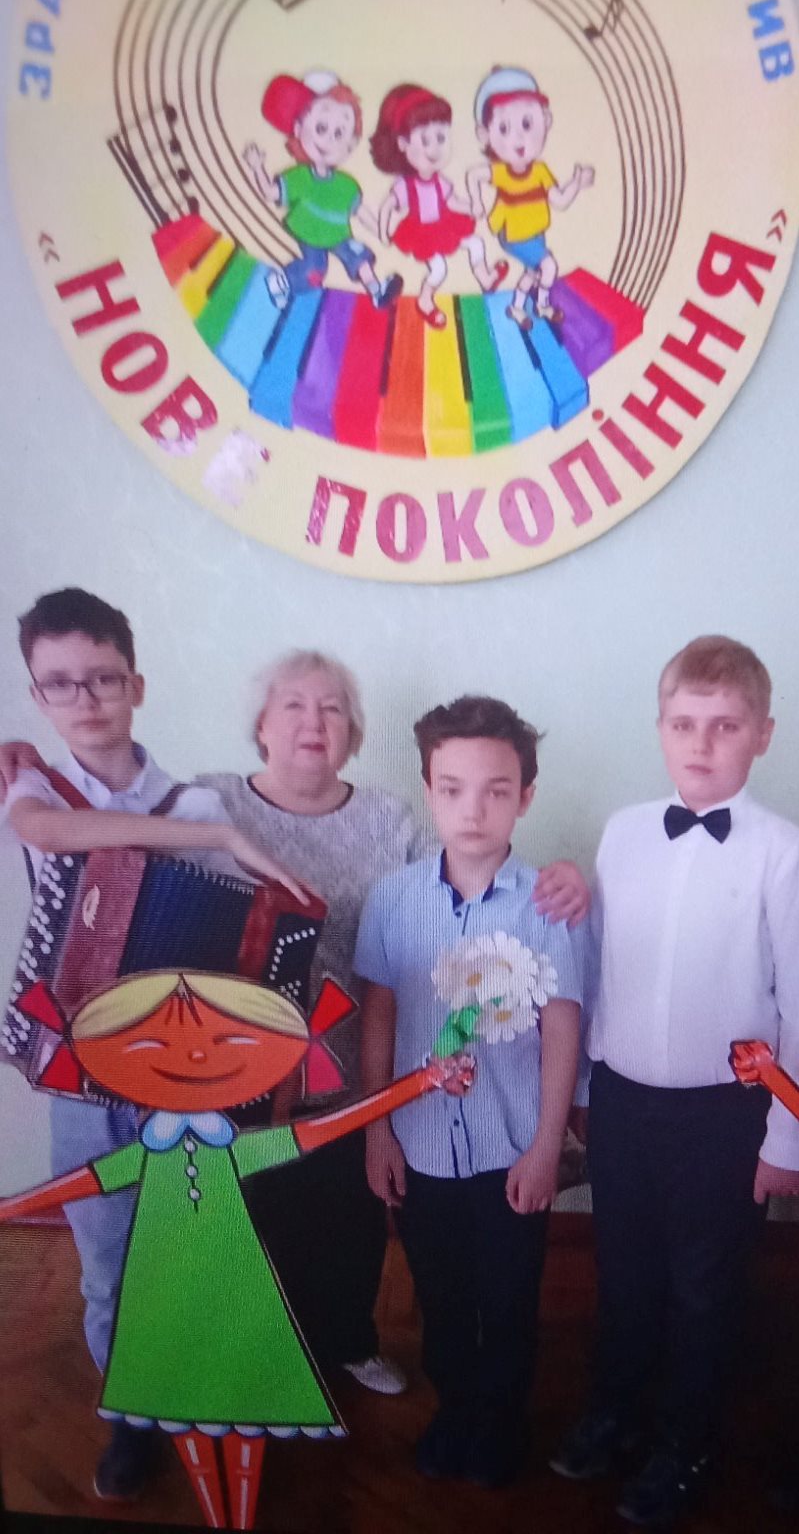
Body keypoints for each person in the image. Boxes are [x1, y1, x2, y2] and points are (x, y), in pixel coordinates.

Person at [0, 649, 590, 1397]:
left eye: (332, 708)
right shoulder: (213, 802)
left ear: (352, 733)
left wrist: (567, 878)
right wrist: (33, 765)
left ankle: (349, 1342)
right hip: (236, 1066)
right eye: (294, 706)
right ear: (261, 726)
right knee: (251, 1224)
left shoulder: (387, 817)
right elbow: (108, 826)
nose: (314, 722)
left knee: (350, 1221)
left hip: (351, 1062)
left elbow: (461, 890)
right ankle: (255, 1364)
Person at [1, 588, 304, 1505]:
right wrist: (208, 835)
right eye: (60, 684)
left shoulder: (192, 794)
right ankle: (130, 1416)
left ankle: (203, 1393)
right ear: (37, 697)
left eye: (102, 678)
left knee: (197, 1251)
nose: (85, 699)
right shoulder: (40, 792)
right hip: (80, 1082)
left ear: (136, 684)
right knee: (105, 1262)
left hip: (180, 1076)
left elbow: (238, 943)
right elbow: (44, 833)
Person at [0, 967, 474, 1531]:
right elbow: (84, 1178)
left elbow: (317, 1129)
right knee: (110, 1279)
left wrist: (420, 1081)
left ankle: (231, 1439)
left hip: (216, 1114)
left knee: (226, 1302)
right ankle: (136, 1419)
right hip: (92, 1095)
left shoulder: (231, 1122)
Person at [551, 635, 799, 1529]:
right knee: (624, 1274)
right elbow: (599, 970)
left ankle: (687, 1445)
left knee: (703, 1290)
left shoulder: (784, 852)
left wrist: (788, 1139)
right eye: (683, 723)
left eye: (724, 725)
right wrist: (587, 1090)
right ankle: (617, 1415)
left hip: (728, 1116)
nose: (701, 742)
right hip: (624, 1100)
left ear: (762, 735)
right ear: (660, 729)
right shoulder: (623, 832)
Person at [355, 695, 591, 1487]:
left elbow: (561, 1027)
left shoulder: (547, 904)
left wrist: (545, 1145)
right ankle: (456, 1408)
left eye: (496, 790)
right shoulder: (393, 900)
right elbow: (379, 1018)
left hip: (508, 1145)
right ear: (428, 791)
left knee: (509, 1295)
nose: (473, 809)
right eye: (452, 788)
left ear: (525, 795)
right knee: (441, 1291)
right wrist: (378, 1131)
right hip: (420, 1145)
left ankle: (501, 1420)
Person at [244, 70, 402, 312]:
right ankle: (281, 281)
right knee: (315, 271)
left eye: (339, 134)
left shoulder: (346, 184)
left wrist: (382, 232)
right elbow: (271, 193)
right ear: (298, 129)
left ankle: (376, 290)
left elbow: (360, 211)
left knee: (359, 255)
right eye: (321, 128)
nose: (330, 140)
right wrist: (257, 167)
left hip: (338, 234)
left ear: (351, 144)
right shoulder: (300, 177)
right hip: (310, 232)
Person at [369, 82, 507, 330]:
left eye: (441, 138)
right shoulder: (406, 185)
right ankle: (425, 301)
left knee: (476, 243)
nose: (435, 148)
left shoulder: (439, 180)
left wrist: (471, 207)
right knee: (439, 269)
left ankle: (485, 278)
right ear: (402, 143)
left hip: (445, 225)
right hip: (422, 232)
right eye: (425, 140)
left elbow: (451, 201)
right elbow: (388, 206)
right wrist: (383, 232)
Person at [467, 65, 594, 331]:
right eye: (504, 128)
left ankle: (516, 306)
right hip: (514, 235)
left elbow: (559, 200)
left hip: (535, 231)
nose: (518, 138)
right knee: (548, 266)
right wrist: (476, 201)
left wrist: (577, 183)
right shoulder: (501, 172)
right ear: (485, 135)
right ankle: (542, 305)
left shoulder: (540, 171)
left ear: (545, 120)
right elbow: (474, 175)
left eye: (527, 124)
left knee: (533, 271)